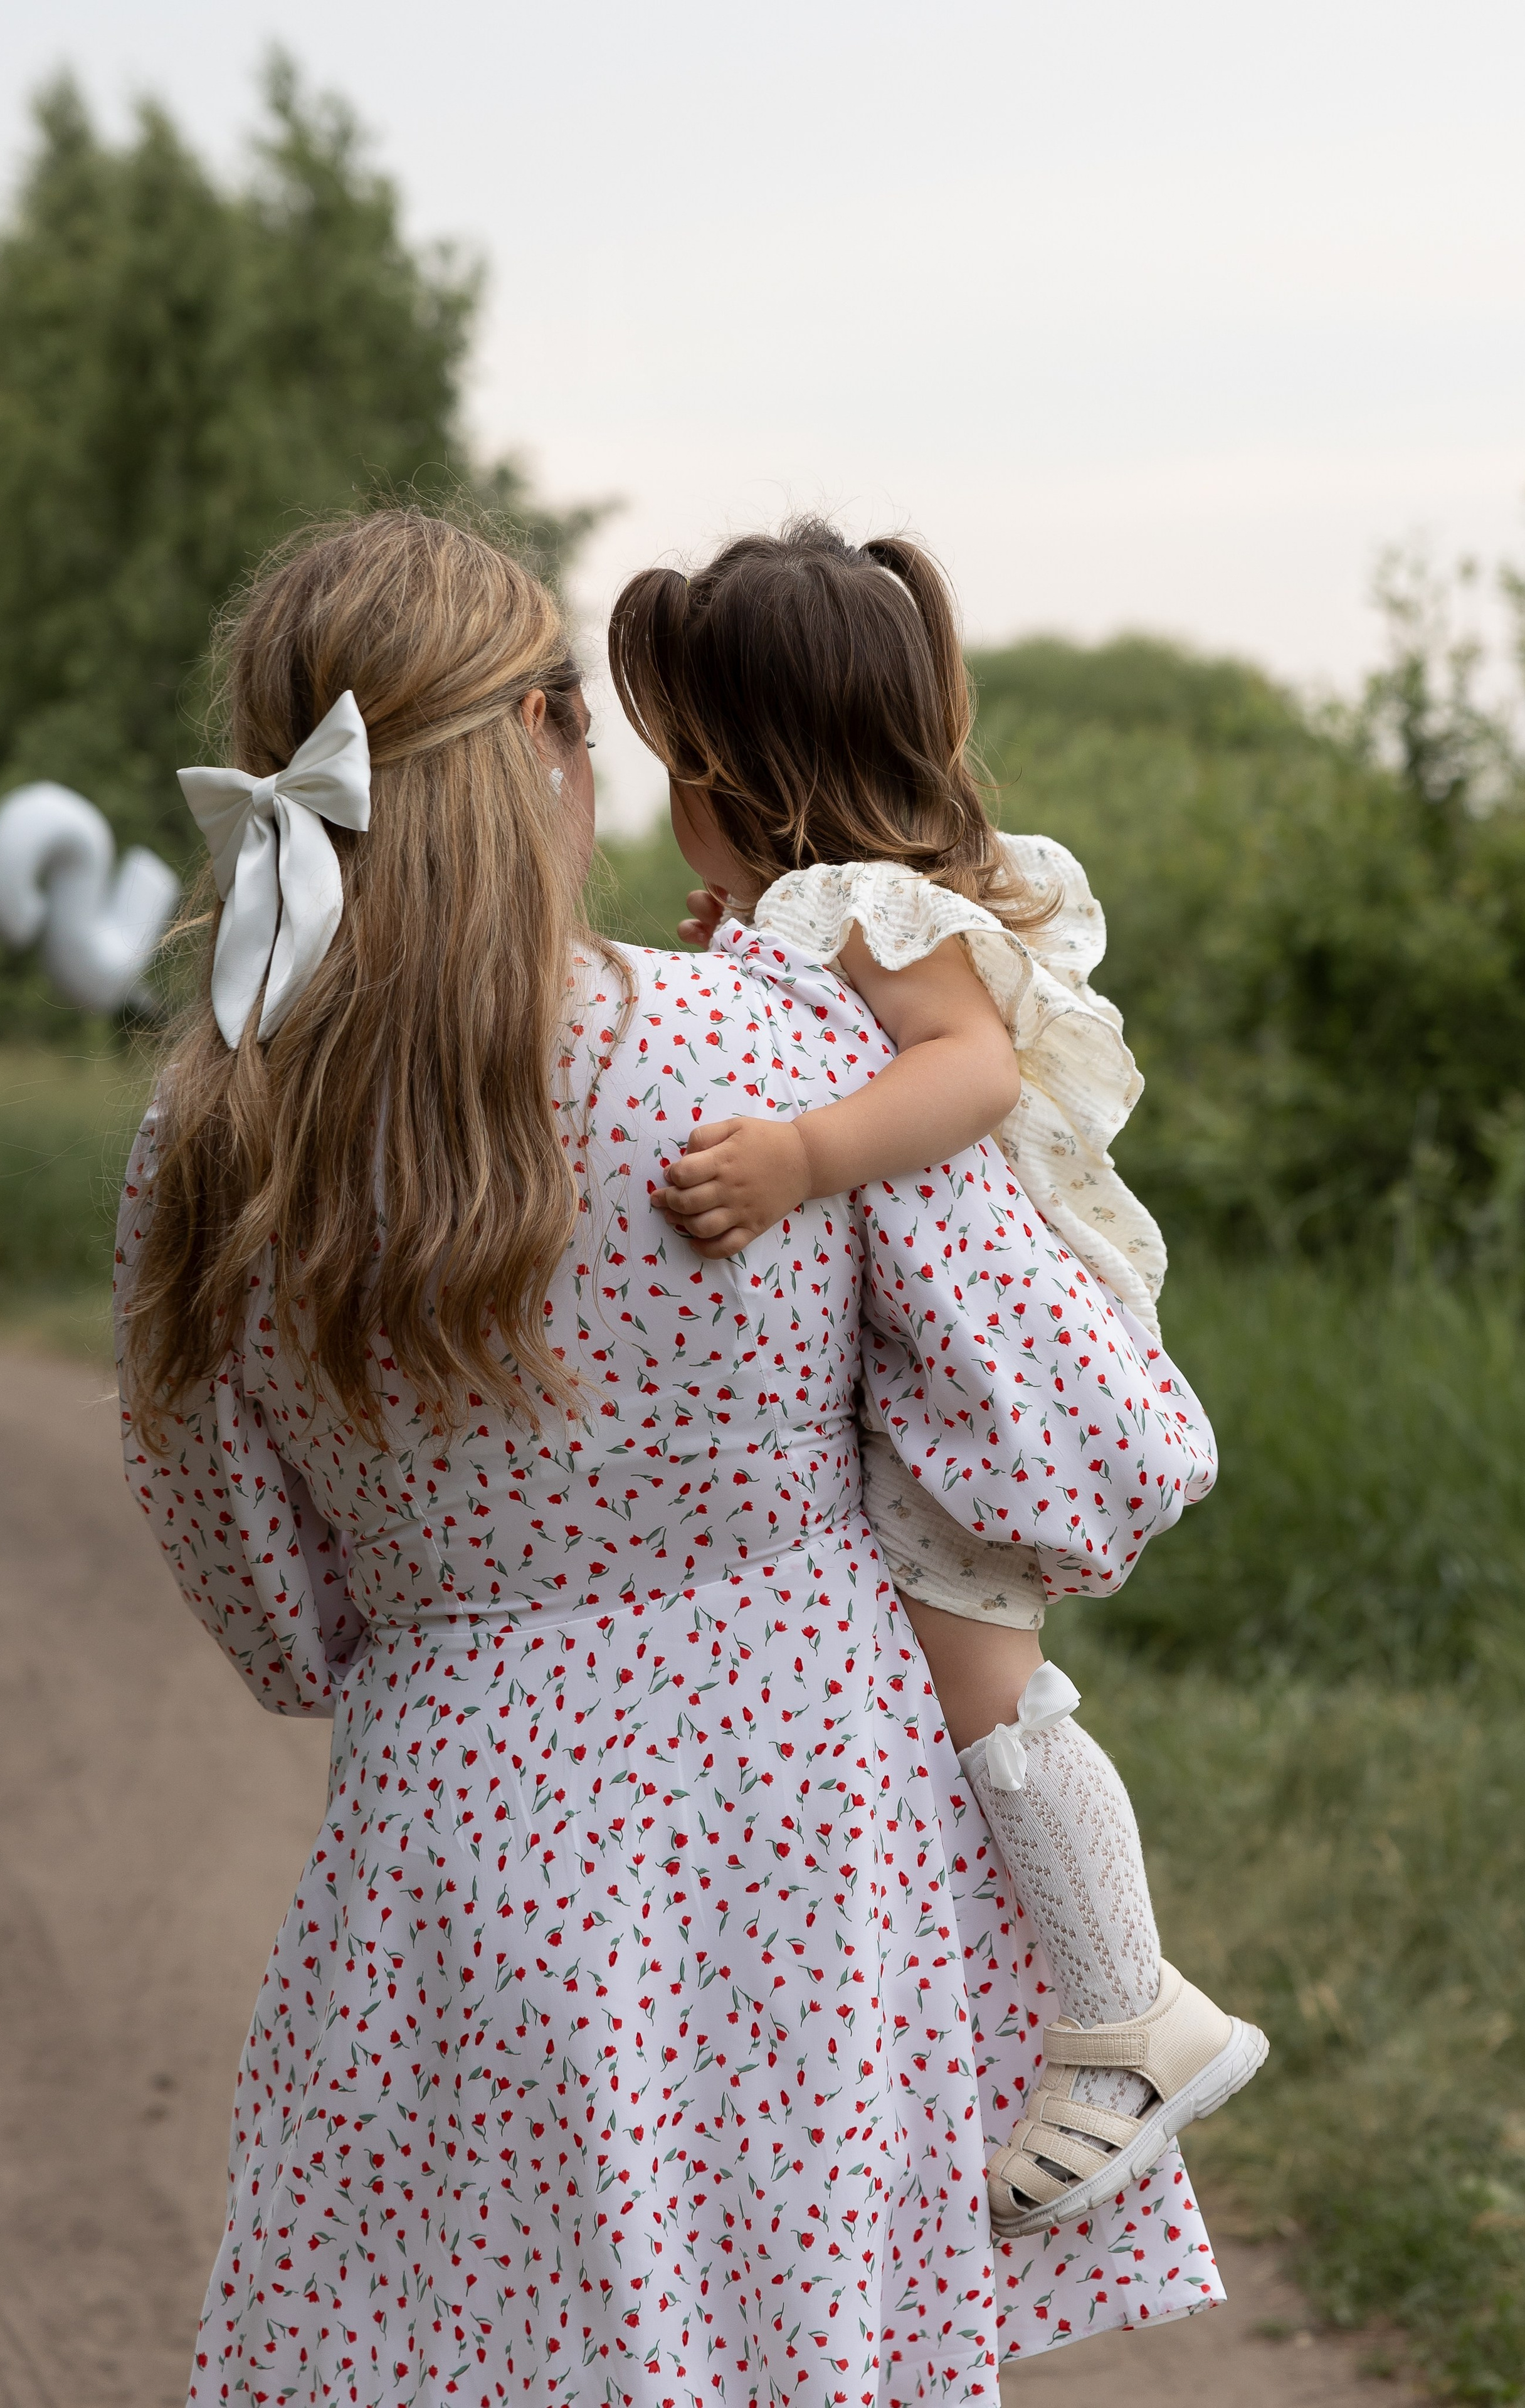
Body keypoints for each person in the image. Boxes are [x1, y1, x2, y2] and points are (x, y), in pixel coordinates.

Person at [117, 505, 1228, 2407]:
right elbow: (1084, 1455)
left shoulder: (213, 1137)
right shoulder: (784, 1045)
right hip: (805, 1841)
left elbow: (276, 1621)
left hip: (451, 1859)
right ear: (554, 741)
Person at [609, 520, 1266, 2238]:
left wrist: (804, 1156)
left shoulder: (862, 914)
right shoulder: (846, 910)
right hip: (964, 1341)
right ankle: (1097, 2001)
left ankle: (1132, 2015)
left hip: (982, 1366)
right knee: (974, 1684)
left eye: (676, 759)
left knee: (991, 1692)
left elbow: (965, 1071)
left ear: (742, 775)